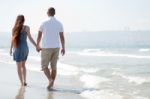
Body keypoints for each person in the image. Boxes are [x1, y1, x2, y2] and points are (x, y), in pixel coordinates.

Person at [36, 7, 65, 90]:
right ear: (54, 13)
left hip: (46, 47)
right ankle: (51, 85)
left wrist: (37, 45)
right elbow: (62, 37)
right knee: (54, 67)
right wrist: (63, 47)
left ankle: (50, 80)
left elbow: (39, 35)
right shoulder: (59, 23)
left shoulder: (43, 22)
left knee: (44, 66)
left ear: (48, 13)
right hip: (56, 47)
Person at [10, 15, 37, 86]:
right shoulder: (26, 28)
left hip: (17, 48)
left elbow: (12, 40)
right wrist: (36, 45)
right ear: (24, 20)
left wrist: (10, 49)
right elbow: (30, 38)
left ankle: (22, 83)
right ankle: (25, 81)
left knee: (18, 67)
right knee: (23, 65)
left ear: (17, 20)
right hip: (25, 48)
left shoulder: (14, 29)